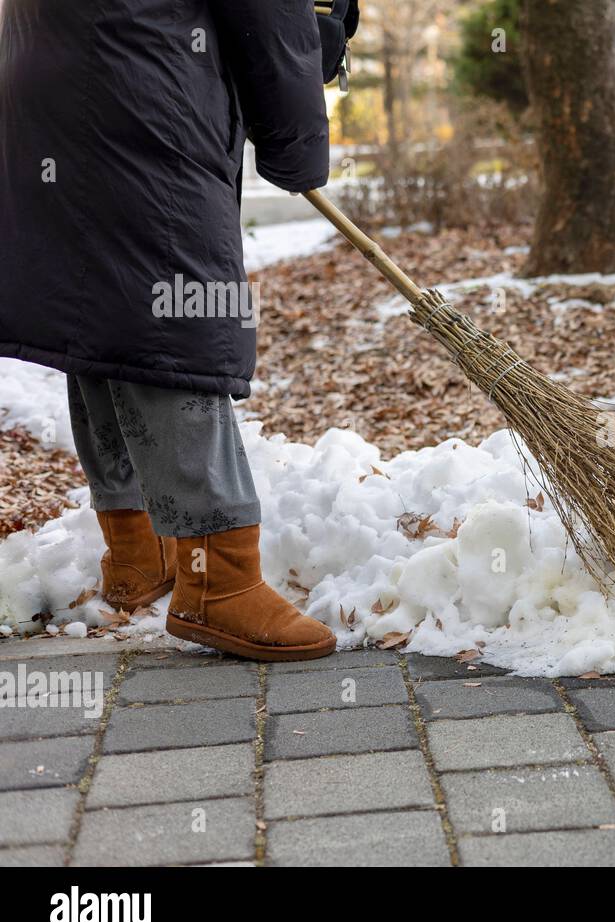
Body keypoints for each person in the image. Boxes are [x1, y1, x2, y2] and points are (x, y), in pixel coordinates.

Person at [0, 0, 337, 661]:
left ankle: (137, 552)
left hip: (50, 74)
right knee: (177, 313)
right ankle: (220, 579)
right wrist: (297, 144)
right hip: (142, 86)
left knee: (105, 306)